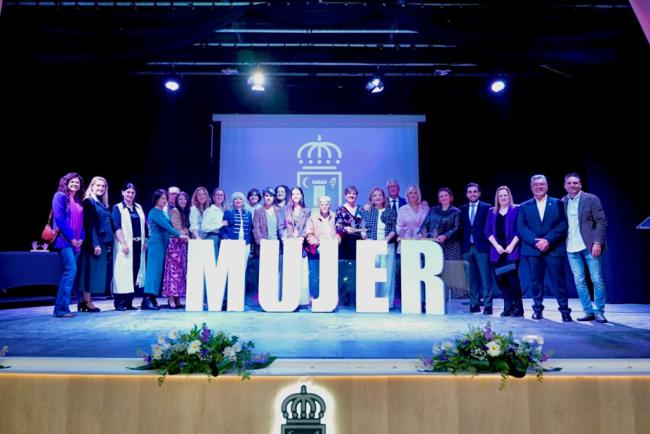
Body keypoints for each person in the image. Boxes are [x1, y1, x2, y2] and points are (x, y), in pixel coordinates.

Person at [517, 174, 572, 322]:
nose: (539, 187)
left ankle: (565, 311)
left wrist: (548, 240)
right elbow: (521, 228)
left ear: (546, 186)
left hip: (553, 248)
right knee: (536, 282)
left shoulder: (557, 203)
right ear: (531, 187)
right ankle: (537, 310)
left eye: (541, 184)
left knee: (559, 282)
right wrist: (537, 242)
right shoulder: (524, 206)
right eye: (536, 185)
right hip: (533, 250)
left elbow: (562, 224)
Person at [562, 172, 608, 323]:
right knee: (579, 281)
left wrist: (597, 242)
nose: (572, 185)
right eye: (569, 183)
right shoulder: (563, 201)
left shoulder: (591, 199)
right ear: (565, 186)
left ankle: (599, 311)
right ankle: (588, 311)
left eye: (575, 183)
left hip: (590, 246)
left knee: (597, 279)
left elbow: (601, 221)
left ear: (580, 185)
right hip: (571, 247)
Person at [143, 189, 188, 310]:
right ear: (156, 199)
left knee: (158, 272)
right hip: (156, 244)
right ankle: (146, 299)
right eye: (162, 198)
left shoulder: (162, 212)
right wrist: (179, 235)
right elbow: (167, 227)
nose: (164, 201)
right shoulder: (154, 212)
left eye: (165, 198)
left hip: (163, 244)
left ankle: (153, 298)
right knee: (153, 271)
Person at [75, 176, 113, 312]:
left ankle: (84, 301)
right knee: (89, 272)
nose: (101, 188)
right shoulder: (89, 201)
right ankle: (87, 301)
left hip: (102, 241)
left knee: (94, 273)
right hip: (93, 242)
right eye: (98, 185)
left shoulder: (102, 203)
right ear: (92, 186)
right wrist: (95, 244)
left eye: (103, 186)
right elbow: (89, 225)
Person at [485, 186, 523, 317]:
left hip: (511, 251)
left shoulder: (516, 209)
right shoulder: (492, 211)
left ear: (509, 196)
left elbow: (519, 229)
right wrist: (497, 246)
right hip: (498, 252)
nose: (503, 198)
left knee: (512, 279)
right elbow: (487, 231)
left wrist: (511, 246)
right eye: (500, 196)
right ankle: (508, 307)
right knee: (501, 280)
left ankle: (518, 308)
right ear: (497, 198)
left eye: (505, 195)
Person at [419, 187, 464, 298]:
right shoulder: (433, 210)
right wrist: (422, 233)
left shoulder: (456, 211)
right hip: (435, 245)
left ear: (450, 197)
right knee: (436, 270)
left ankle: (455, 297)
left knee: (452, 271)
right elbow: (425, 224)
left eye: (445, 195)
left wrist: (445, 236)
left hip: (451, 245)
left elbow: (457, 227)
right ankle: (437, 295)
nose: (443, 198)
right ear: (439, 199)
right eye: (441, 196)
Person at [51, 172, 85, 318]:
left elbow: (82, 221)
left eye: (77, 182)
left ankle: (63, 307)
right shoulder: (59, 196)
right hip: (64, 240)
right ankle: (61, 309)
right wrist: (72, 238)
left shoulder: (78, 199)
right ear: (66, 182)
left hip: (76, 242)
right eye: (72, 181)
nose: (75, 184)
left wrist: (81, 238)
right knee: (70, 270)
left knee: (71, 273)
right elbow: (59, 219)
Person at [111, 182, 147, 311]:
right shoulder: (118, 208)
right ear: (123, 192)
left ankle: (129, 302)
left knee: (134, 272)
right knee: (122, 273)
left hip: (138, 245)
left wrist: (145, 241)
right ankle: (119, 303)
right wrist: (123, 243)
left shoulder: (138, 207)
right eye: (128, 192)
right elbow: (116, 226)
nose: (130, 195)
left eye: (132, 192)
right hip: (124, 244)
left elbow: (144, 225)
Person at [460, 182, 494, 315]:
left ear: (479, 193)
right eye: (470, 192)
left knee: (485, 278)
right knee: (471, 278)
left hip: (482, 247)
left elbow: (490, 227)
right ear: (466, 194)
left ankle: (488, 305)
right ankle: (474, 304)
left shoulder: (487, 208)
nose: (472, 194)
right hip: (467, 248)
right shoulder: (462, 209)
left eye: (475, 191)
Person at [360, 187, 397, 308]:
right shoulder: (367, 211)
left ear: (384, 198)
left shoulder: (390, 211)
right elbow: (361, 226)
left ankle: (386, 302)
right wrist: (364, 236)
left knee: (386, 274)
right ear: (371, 199)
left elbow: (394, 229)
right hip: (371, 246)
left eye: (380, 195)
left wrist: (385, 240)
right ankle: (371, 300)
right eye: (374, 195)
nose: (377, 197)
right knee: (372, 274)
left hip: (387, 245)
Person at [162, 191, 191, 309]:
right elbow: (177, 228)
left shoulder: (184, 212)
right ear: (176, 201)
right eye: (180, 199)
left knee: (179, 273)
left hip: (182, 244)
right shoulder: (175, 211)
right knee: (172, 272)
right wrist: (188, 235)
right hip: (175, 244)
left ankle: (177, 297)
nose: (183, 201)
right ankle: (171, 298)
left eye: (185, 199)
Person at [283, 187, 311, 306]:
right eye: (293, 194)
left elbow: (307, 227)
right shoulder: (285, 210)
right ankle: (289, 298)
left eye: (298, 194)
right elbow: (281, 226)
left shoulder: (307, 211)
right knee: (290, 272)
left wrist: (302, 237)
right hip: (288, 244)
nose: (295, 196)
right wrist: (285, 237)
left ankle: (302, 300)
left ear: (301, 196)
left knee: (301, 272)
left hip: (301, 244)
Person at [202, 188, 228, 261]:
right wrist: (220, 224)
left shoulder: (225, 210)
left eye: (221, 195)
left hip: (224, 238)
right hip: (213, 237)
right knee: (214, 261)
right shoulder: (209, 211)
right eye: (217, 195)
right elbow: (204, 227)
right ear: (213, 197)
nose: (219, 197)